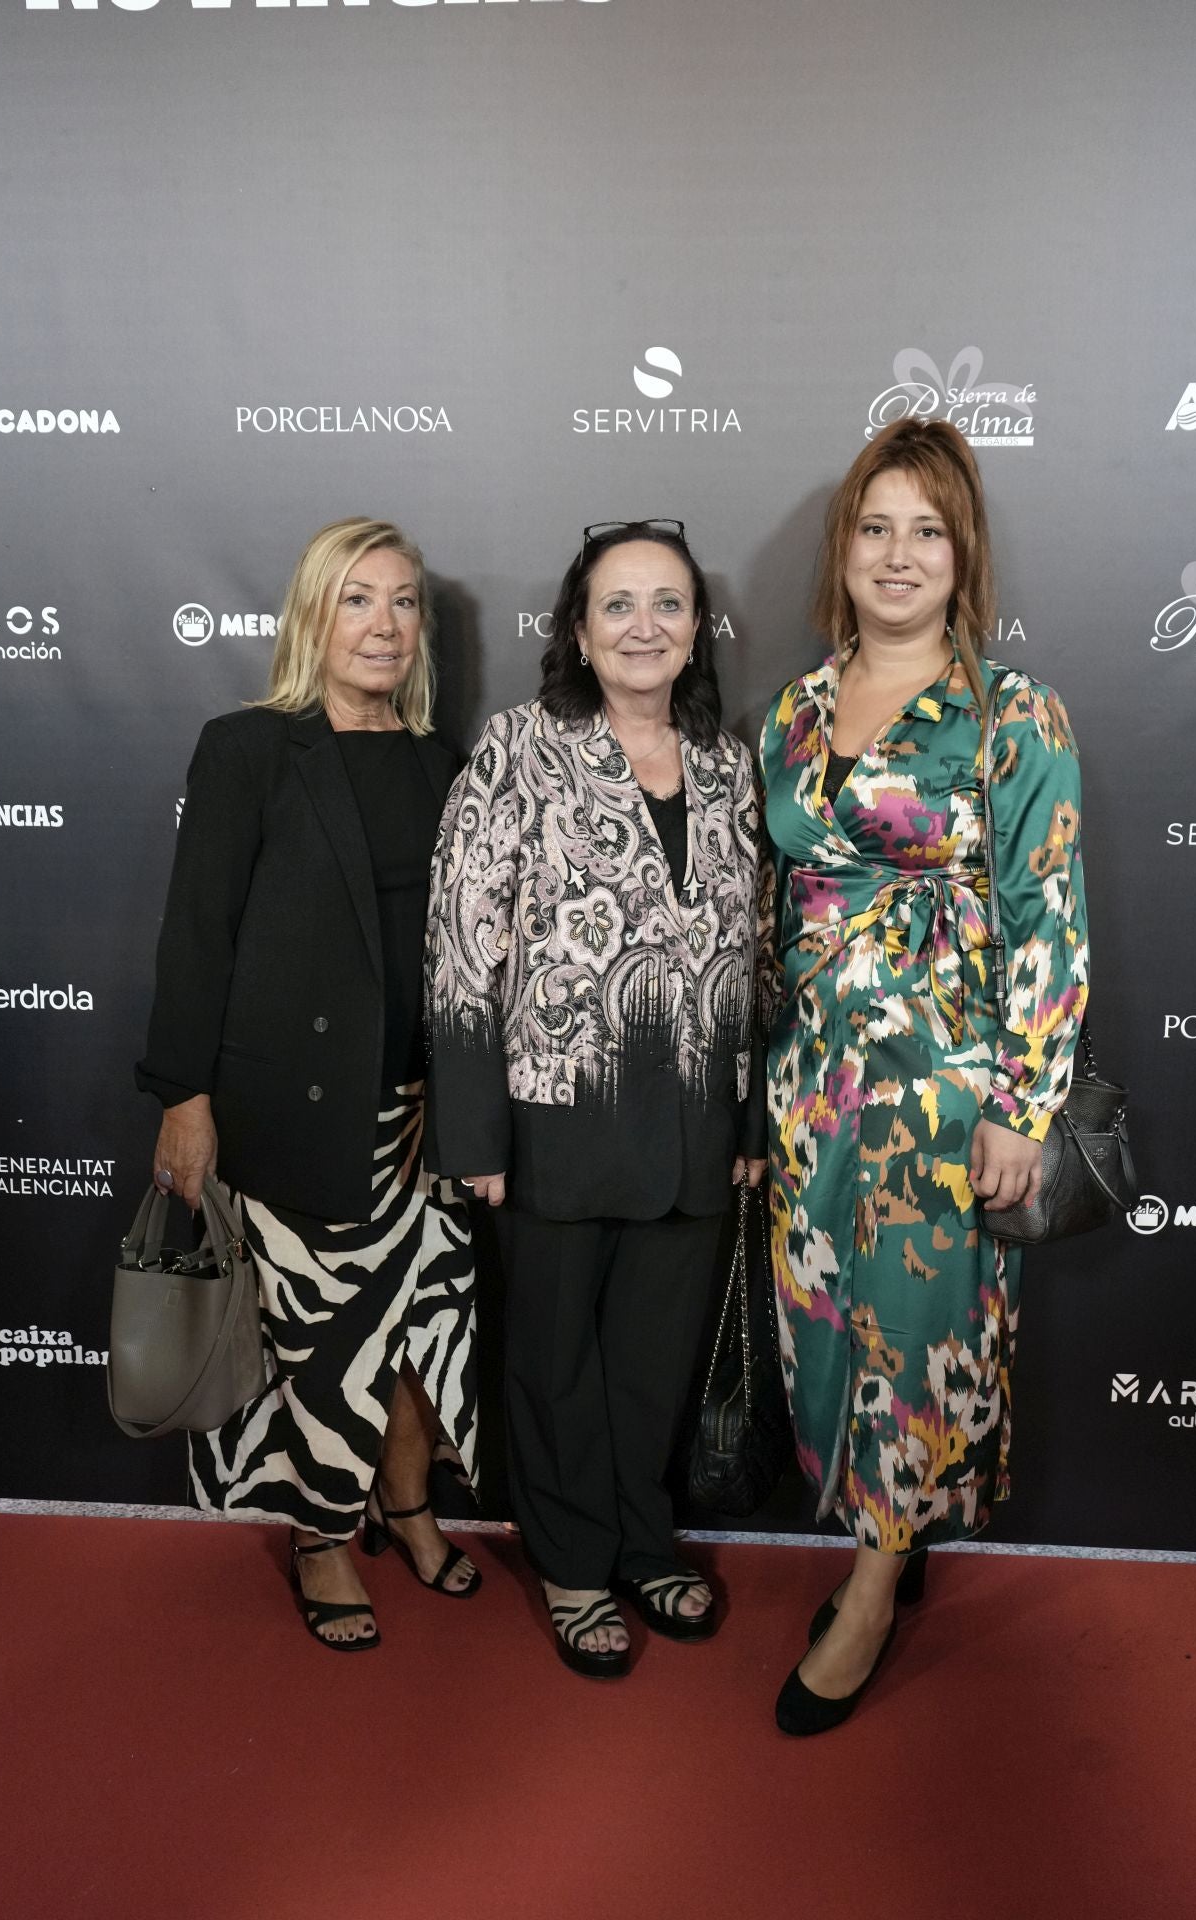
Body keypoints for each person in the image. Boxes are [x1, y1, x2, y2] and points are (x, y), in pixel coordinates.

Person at [759, 422, 1088, 1733]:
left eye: (927, 530)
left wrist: (1022, 1107)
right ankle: (875, 1542)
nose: (898, 555)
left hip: (941, 1107)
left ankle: (877, 1587)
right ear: (844, 549)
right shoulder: (795, 708)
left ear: (965, 557)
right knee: (828, 1339)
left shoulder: (1014, 716)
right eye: (875, 526)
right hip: (809, 1099)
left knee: (914, 1350)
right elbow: (777, 910)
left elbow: (1052, 919)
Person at [423, 519, 765, 1677]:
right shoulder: (518, 747)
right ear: (577, 626)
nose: (643, 626)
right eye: (618, 603)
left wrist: (750, 1120)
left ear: (694, 630)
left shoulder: (729, 761)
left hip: (692, 1131)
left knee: (650, 1361)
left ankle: (639, 1538)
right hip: (553, 1120)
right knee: (556, 1357)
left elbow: (757, 953)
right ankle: (572, 1565)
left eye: (667, 603)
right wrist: (473, 1130)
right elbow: (462, 947)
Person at [136, 517, 480, 1651]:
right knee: (325, 1350)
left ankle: (411, 1506)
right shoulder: (248, 749)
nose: (383, 624)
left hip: (421, 1121)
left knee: (425, 1334)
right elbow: (198, 935)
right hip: (293, 1114)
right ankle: (322, 1537)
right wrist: (184, 1096)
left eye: (402, 601)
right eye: (356, 599)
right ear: (313, 618)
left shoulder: (438, 760)